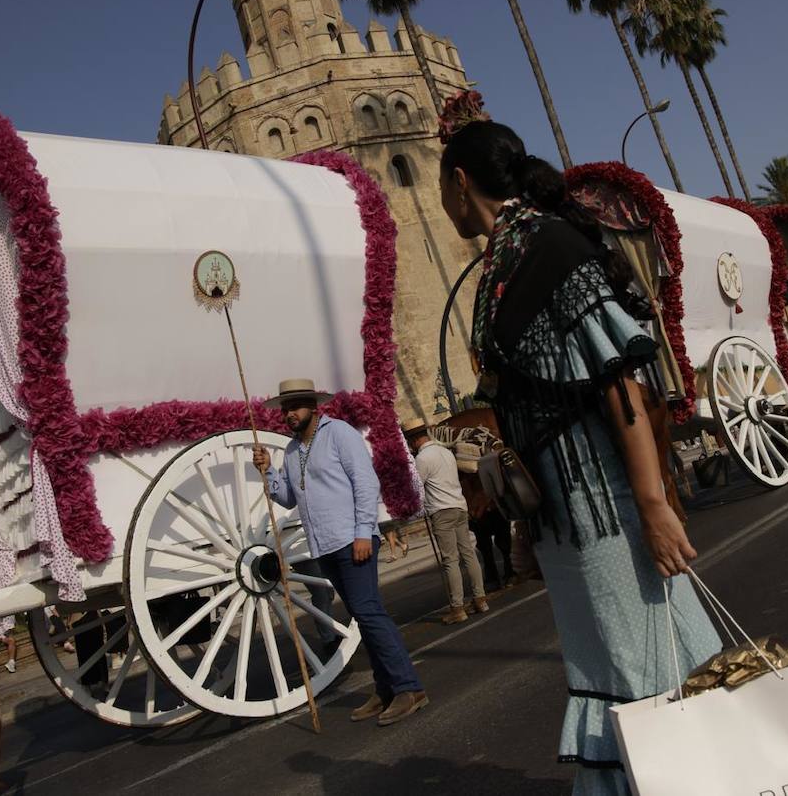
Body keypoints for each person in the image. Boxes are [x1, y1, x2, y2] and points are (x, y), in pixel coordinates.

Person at [438, 118, 721, 794]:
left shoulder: (550, 246)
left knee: (639, 662)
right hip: (567, 516)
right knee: (614, 659)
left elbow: (618, 381)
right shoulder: (500, 267)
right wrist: (527, 521)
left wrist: (653, 505)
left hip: (605, 506)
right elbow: (521, 407)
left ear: (459, 183)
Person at [252, 378, 427, 727]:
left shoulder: (340, 434)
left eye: (296, 406)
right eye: (286, 409)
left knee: (369, 612)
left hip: (352, 540)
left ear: (314, 406)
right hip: (325, 546)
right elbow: (288, 497)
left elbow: (365, 483)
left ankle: (410, 688)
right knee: (363, 617)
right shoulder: (290, 451)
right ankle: (386, 688)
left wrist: (364, 531)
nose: (289, 414)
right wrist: (268, 470)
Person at [403, 417, 488, 624]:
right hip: (459, 505)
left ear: (414, 441)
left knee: (450, 560)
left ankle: (457, 608)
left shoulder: (422, 459)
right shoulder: (446, 452)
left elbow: (416, 489)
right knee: (468, 553)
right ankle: (480, 599)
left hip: (441, 511)